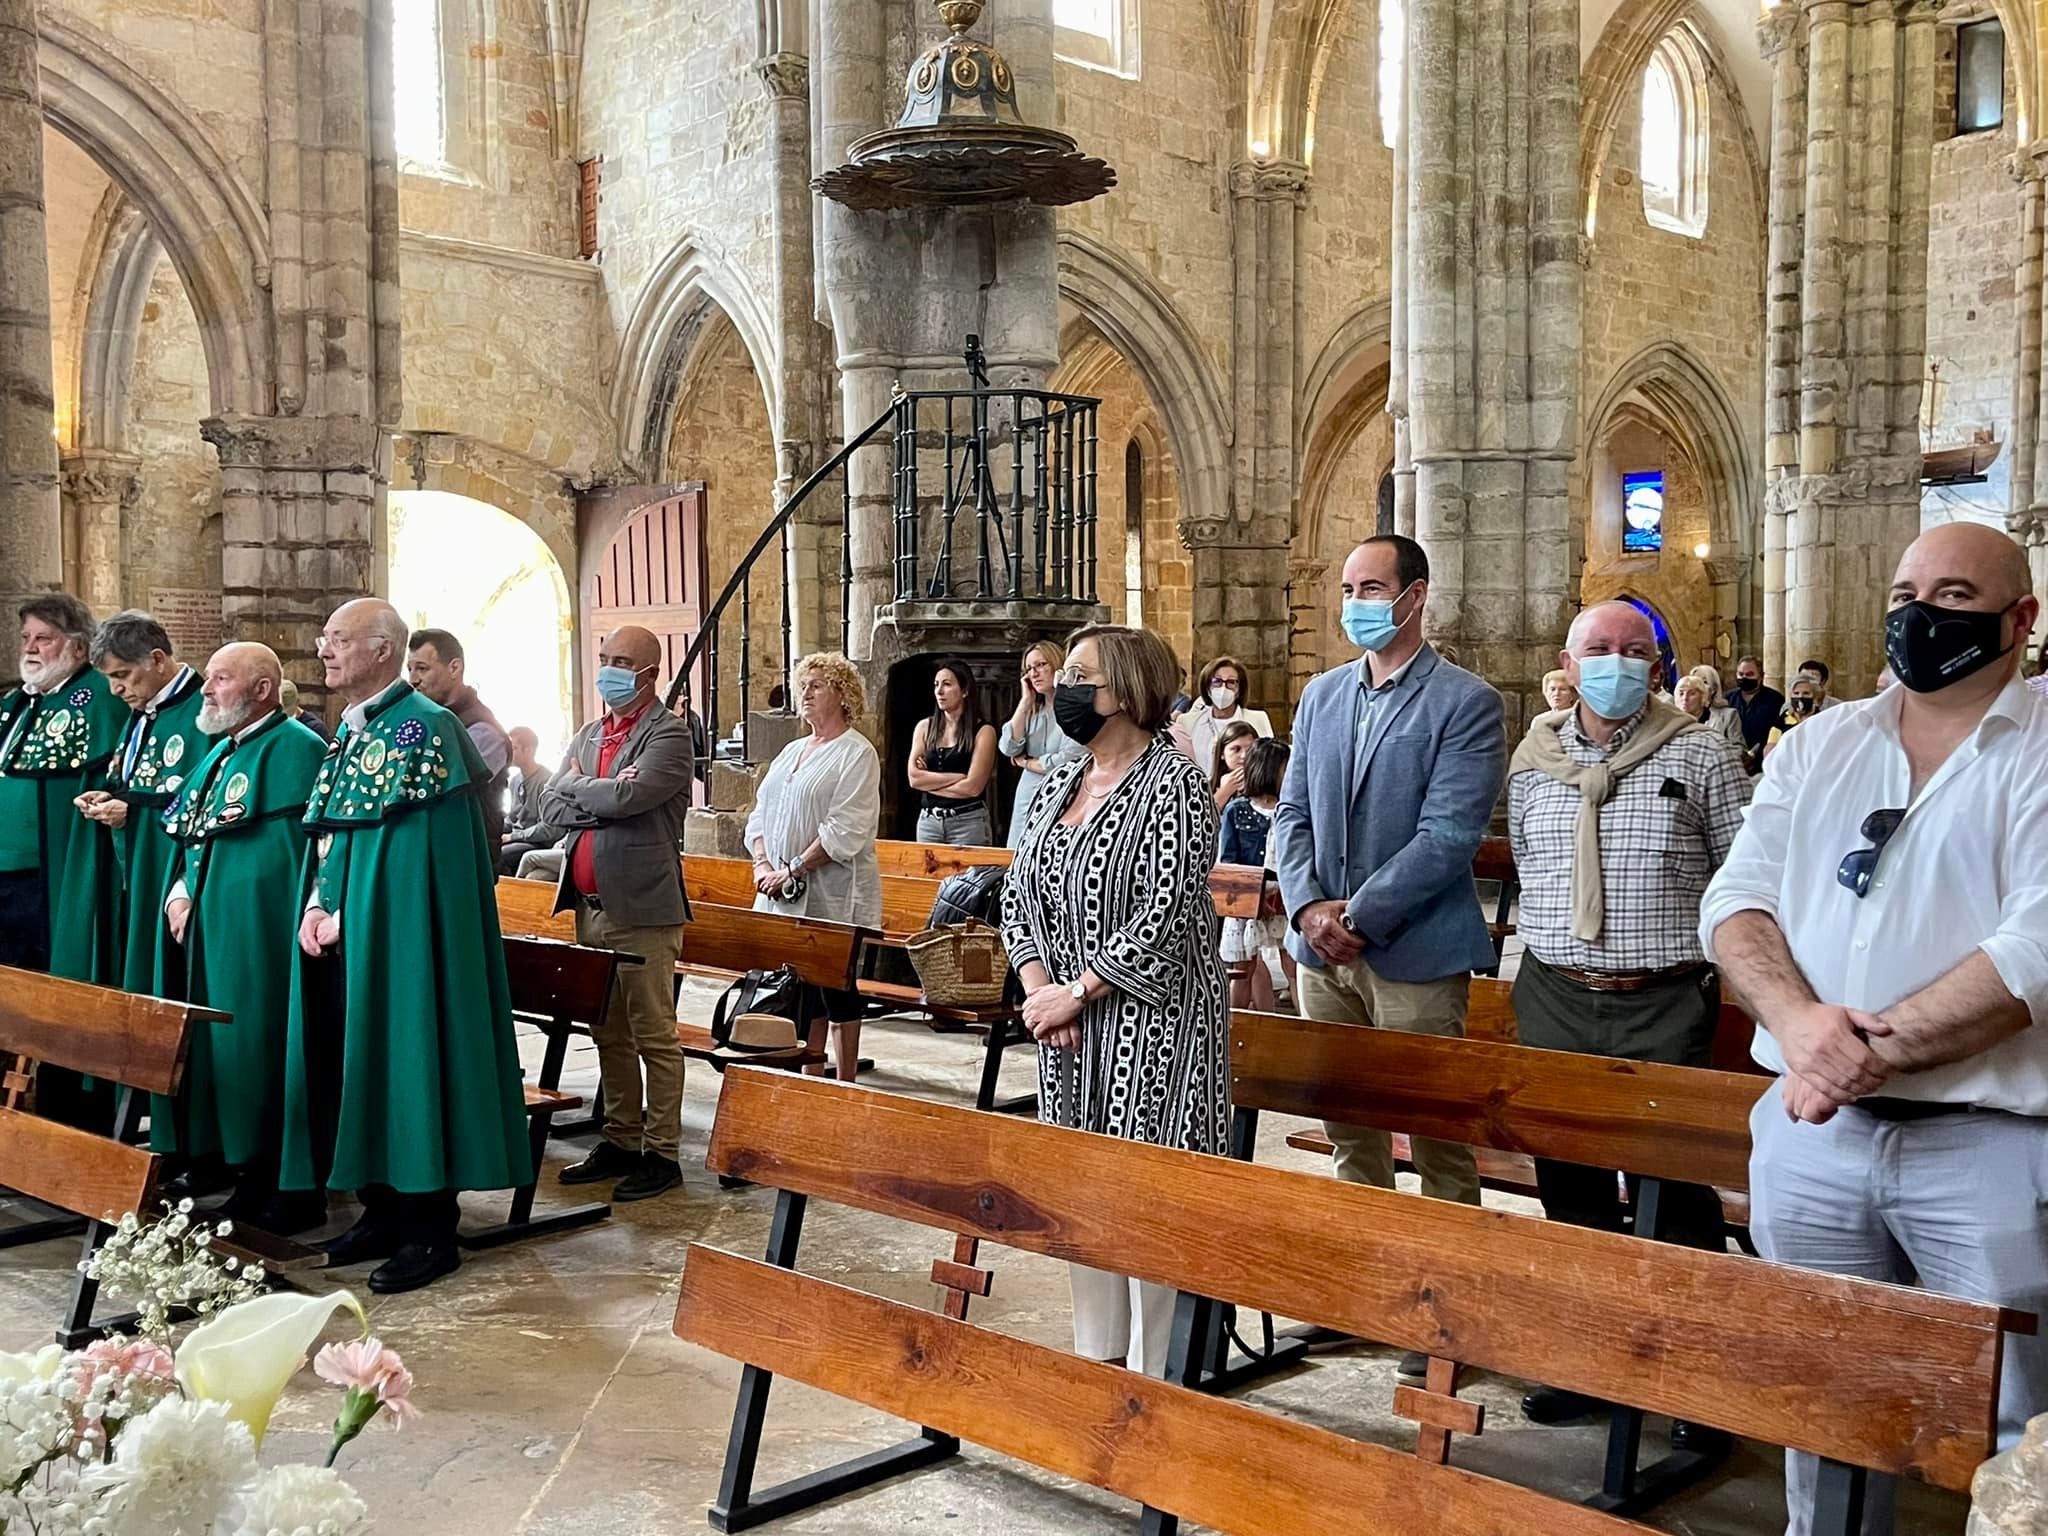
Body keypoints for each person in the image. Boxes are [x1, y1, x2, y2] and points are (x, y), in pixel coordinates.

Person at [1701, 522, 2048, 1536]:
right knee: (1825, 1405)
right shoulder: (1820, 745)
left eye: (1950, 596)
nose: (1918, 616)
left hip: (1984, 1144)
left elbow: (2031, 953)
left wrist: (1840, 1058)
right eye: (1904, 592)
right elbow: (1733, 903)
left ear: (2017, 619)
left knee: (2013, 1430)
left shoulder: (2037, 750)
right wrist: (1802, 1029)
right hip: (1814, 1140)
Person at [1506, 601, 1752, 1444]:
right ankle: (1590, 1362)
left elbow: (1744, 878)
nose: (1615, 662)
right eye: (1597, 649)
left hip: (1664, 997)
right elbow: (1534, 871)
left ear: (1657, 664)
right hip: (1554, 993)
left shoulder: (1703, 753)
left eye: (1633, 650)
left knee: (1674, 1188)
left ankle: (1691, 1381)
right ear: (1568, 665)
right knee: (1568, 1183)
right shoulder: (1533, 759)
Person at [1274, 535, 1504, 1379]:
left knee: (1436, 1139)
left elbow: (1449, 834)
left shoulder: (1466, 702)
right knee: (1350, 1134)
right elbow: (1290, 813)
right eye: (1347, 588)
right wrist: (1305, 907)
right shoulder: (1322, 696)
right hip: (1319, 949)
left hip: (1411, 948)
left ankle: (1447, 1319)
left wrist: (1360, 917)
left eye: (1371, 587)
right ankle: (1363, 1300)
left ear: (1415, 597)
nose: (1355, 601)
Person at [281, 598, 531, 1294]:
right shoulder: (356, 729)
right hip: (350, 935)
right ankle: (381, 1208)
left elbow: (421, 860)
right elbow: (339, 832)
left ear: (382, 650)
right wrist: (320, 901)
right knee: (356, 1064)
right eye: (324, 638)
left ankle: (428, 1227)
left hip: (404, 944)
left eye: (337, 640)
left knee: (411, 1062)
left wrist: (356, 915)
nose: (324, 650)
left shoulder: (426, 729)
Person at [1002, 624, 1228, 1377]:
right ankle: (1093, 1366)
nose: (1063, 689)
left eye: (1079, 676)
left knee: (1144, 1200)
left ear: (1127, 692)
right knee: (1079, 1198)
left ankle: (1154, 1375)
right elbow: (1017, 894)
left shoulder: (1176, 783)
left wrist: (1079, 991)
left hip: (1155, 1032)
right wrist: (1041, 992)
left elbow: (1164, 912)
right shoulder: (1062, 776)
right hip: (1066, 1033)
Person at [154, 643, 327, 1233]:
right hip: (213, 938)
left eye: (220, 680)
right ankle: (242, 1171)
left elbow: (309, 857)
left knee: (266, 1054)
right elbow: (189, 837)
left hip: (264, 941)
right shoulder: (219, 754)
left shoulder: (300, 750)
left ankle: (290, 1185)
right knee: (227, 1055)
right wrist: (178, 891)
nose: (205, 690)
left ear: (261, 690)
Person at [543, 624, 694, 1203]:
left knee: (652, 1032)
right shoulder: (588, 732)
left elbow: (633, 799)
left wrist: (588, 788)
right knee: (607, 1030)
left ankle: (661, 1153)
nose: (607, 668)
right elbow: (548, 804)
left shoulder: (670, 735)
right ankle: (621, 1137)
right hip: (589, 907)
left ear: (649, 673)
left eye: (620, 660)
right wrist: (596, 791)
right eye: (604, 657)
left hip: (643, 909)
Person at [745, 652, 882, 1082]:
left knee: (836, 987)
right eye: (803, 683)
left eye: (817, 684)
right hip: (779, 887)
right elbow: (761, 813)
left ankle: (846, 1083)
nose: (805, 691)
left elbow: (844, 828)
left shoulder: (856, 754)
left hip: (833, 894)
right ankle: (810, 1069)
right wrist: (763, 864)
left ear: (843, 696)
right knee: (798, 987)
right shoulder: (791, 751)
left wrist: (793, 871)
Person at [80, 611, 210, 1002]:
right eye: (109, 678)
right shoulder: (143, 712)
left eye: (122, 675)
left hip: (169, 875)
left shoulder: (203, 713)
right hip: (132, 871)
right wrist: (109, 796)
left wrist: (133, 813)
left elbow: (199, 799)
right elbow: (136, 783)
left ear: (157, 660)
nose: (115, 689)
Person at [0, 594, 126, 982]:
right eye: (26, 638)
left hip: (51, 869)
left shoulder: (100, 696)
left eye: (44, 638)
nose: (31, 648)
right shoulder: (17, 701)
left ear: (77, 645)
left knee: (43, 977)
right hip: (5, 873)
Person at [407, 628, 511, 850]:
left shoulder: (483, 730)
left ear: (454, 668)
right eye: (410, 669)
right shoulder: (426, 721)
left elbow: (443, 791)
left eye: (422, 669)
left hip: (466, 854)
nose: (413, 680)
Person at [1218, 736, 1292, 1012]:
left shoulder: (1291, 809)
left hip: (1285, 897)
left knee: (1293, 963)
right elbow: (1228, 860)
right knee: (1243, 967)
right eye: (1286, 768)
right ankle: (1232, 1028)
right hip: (1248, 900)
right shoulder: (1238, 811)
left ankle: (1304, 1029)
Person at [999, 641, 1081, 847]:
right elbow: (1007, 747)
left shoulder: (1076, 710)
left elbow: (1065, 761)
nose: (1033, 674)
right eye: (1028, 669)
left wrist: (1026, 763)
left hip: (1062, 797)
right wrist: (1025, 701)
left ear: (1056, 665)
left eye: (1040, 665)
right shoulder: (1033, 711)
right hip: (1027, 797)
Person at [909, 657, 998, 845]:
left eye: (947, 684)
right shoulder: (924, 727)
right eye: (936, 685)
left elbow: (973, 787)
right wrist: (959, 777)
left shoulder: (983, 731)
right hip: (929, 822)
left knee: (971, 875)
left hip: (968, 822)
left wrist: (930, 783)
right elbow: (914, 779)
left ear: (964, 691)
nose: (939, 691)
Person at [1177, 654, 1273, 775]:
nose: (1223, 688)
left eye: (1231, 682)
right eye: (1216, 681)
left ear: (1239, 689)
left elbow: (1269, 763)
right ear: (1207, 687)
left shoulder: (1258, 719)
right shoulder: (1187, 722)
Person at [498, 726, 562, 875]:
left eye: (513, 748)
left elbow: (549, 829)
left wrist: (512, 837)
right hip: (519, 838)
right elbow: (512, 818)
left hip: (538, 843)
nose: (508, 752)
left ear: (529, 750)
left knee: (500, 856)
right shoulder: (515, 780)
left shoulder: (547, 782)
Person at [1725, 654, 1784, 774]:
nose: (1744, 677)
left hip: (1762, 763)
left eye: (1750, 674)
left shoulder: (1775, 700)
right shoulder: (1727, 698)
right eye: (1741, 674)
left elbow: (1778, 731)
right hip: (1733, 762)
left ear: (1761, 676)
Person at [1673, 673, 1745, 755]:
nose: (1685, 698)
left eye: (1692, 693)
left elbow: (1739, 750)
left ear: (1703, 697)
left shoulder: (1728, 716)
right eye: (1681, 693)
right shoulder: (1671, 723)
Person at [1208, 719, 1259, 812]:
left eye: (1250, 750)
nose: (1244, 756)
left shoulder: (1265, 783)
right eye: (1236, 749)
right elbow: (1202, 819)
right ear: (1222, 753)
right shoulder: (1206, 787)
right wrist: (1224, 792)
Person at [1765, 674, 1820, 757]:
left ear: (1814, 696)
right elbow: (1770, 749)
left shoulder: (1821, 719)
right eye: (1796, 693)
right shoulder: (1781, 721)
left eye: (1806, 693)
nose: (1800, 697)